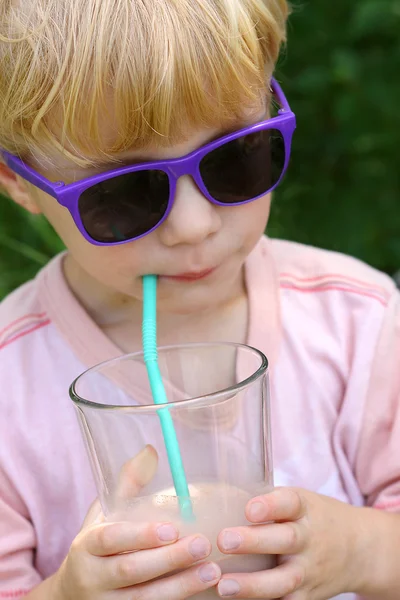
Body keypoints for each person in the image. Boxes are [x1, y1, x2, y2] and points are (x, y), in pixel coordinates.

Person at [0, 0, 399, 598]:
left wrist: (359, 551)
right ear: (19, 184)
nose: (193, 225)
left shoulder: (359, 321)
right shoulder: (11, 386)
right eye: (125, 193)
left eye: (235, 158)